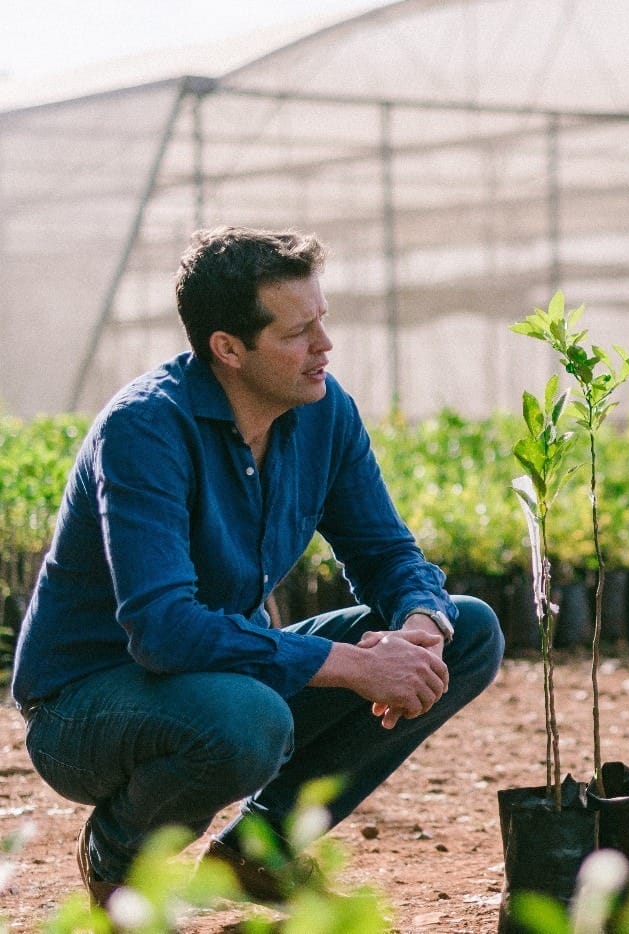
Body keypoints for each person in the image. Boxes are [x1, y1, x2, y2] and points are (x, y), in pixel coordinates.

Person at [10, 227, 505, 905]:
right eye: (298, 332)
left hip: (220, 679)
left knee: (468, 629)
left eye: (322, 321)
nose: (324, 346)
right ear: (229, 349)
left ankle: (256, 852)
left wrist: (419, 622)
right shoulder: (146, 430)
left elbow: (386, 552)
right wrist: (360, 665)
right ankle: (116, 856)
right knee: (249, 719)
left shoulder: (323, 413)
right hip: (87, 707)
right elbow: (163, 630)